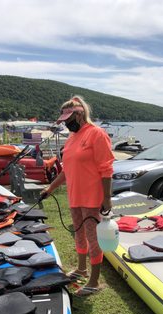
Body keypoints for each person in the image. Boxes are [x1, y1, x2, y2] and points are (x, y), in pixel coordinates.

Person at [41, 96, 114, 296]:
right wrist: (50, 189)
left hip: (92, 197)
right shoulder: (72, 138)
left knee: (93, 238)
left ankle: (94, 281)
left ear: (80, 114)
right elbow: (66, 170)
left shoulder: (96, 134)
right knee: (79, 236)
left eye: (68, 119)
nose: (65, 123)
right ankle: (81, 269)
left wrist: (106, 199)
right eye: (63, 120)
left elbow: (106, 168)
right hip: (75, 196)